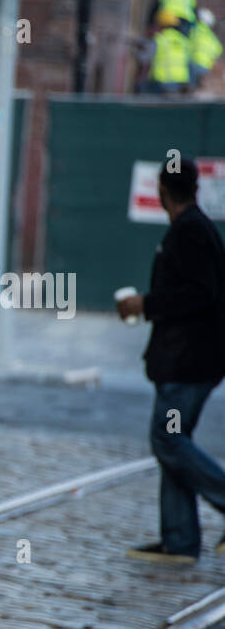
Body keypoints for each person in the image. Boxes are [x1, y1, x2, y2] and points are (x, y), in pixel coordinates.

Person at [117, 157, 225, 563]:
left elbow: (200, 293)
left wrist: (145, 303)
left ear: (163, 191)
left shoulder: (190, 233)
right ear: (195, 188)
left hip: (189, 362)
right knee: (171, 445)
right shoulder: (194, 230)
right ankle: (179, 539)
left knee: (169, 439)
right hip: (189, 360)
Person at [190, 8, 221, 89]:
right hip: (205, 68)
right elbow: (218, 51)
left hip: (192, 64)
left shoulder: (193, 30)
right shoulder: (211, 36)